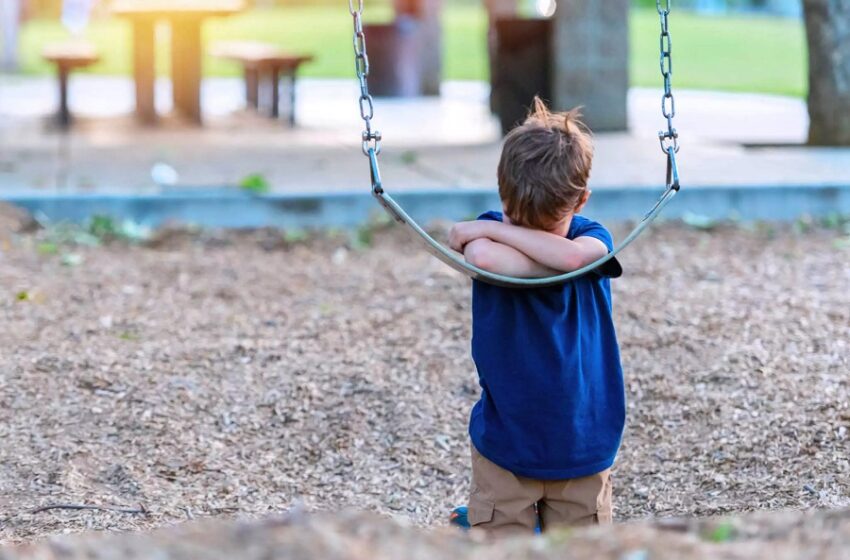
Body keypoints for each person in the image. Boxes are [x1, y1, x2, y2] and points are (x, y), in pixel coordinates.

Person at [447, 97, 624, 535]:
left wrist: (497, 228)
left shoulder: (592, 240)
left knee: (582, 546)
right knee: (503, 543)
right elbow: (487, 260)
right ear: (501, 191)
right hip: (508, 441)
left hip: (583, 440)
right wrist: (520, 239)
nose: (523, 232)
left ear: (581, 201)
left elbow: (570, 259)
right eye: (513, 220)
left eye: (539, 227)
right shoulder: (499, 242)